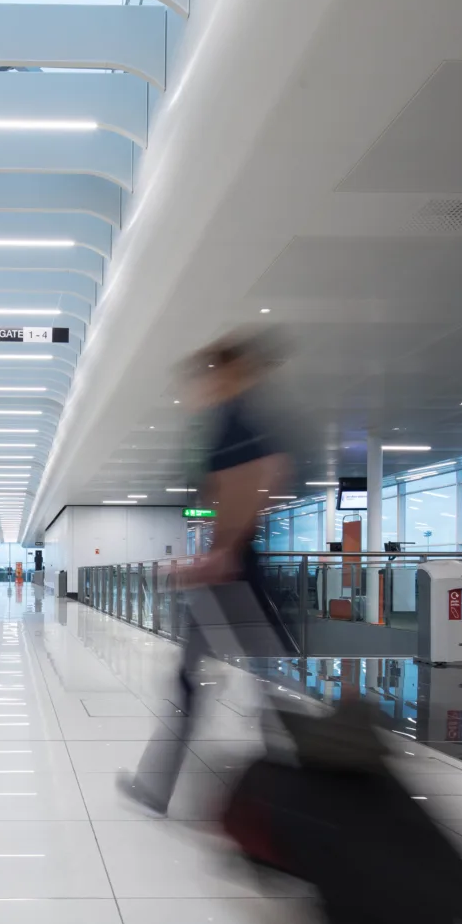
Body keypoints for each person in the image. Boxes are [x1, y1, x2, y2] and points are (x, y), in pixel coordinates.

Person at [116, 329, 293, 817]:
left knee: (247, 682)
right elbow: (269, 475)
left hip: (231, 579)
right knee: (214, 679)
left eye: (211, 374)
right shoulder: (238, 420)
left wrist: (221, 552)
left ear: (231, 373)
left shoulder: (234, 422)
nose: (202, 385)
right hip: (232, 575)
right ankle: (159, 785)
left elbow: (255, 480)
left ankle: (298, 786)